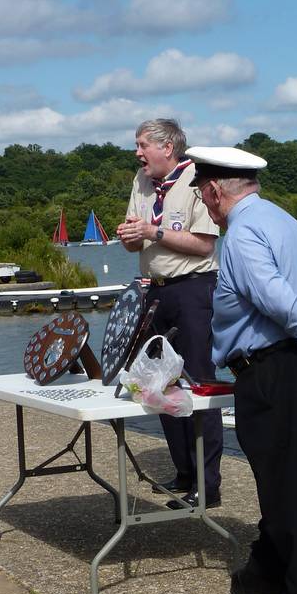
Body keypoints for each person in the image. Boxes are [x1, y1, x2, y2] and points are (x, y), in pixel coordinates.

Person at [185, 145, 297, 594]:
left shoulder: (240, 235)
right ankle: (274, 573)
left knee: (287, 486)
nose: (205, 205)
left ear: (216, 190)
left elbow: (272, 295)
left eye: (202, 194)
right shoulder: (286, 223)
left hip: (273, 368)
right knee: (288, 481)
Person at [117, 119, 223, 508]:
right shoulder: (142, 181)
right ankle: (183, 472)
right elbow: (136, 240)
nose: (138, 152)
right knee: (156, 384)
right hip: (154, 291)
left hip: (193, 290)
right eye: (137, 145)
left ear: (168, 147)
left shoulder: (198, 178)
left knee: (197, 385)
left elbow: (203, 244)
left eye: (143, 145)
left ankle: (208, 485)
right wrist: (132, 237)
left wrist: (151, 232)